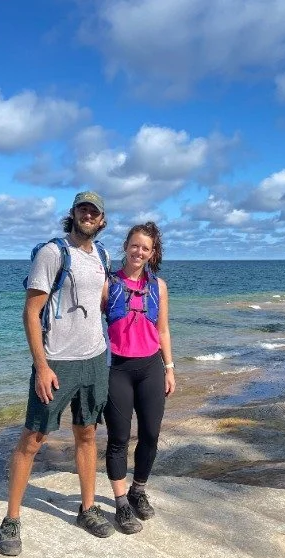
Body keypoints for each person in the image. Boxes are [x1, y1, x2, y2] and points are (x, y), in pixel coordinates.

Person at [0, 191, 114, 556]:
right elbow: (30, 313)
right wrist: (42, 366)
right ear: (73, 214)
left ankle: (87, 508)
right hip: (57, 362)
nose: (88, 215)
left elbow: (103, 303)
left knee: (87, 434)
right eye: (83, 209)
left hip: (95, 358)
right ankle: (12, 518)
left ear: (102, 219)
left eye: (94, 211)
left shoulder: (103, 255)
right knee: (33, 438)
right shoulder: (52, 253)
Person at [102, 221, 176, 534]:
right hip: (116, 368)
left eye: (145, 247)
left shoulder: (158, 286)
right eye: (134, 245)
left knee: (150, 435)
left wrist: (169, 367)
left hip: (150, 369)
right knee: (118, 438)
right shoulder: (108, 284)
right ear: (126, 246)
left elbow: (162, 329)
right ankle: (121, 504)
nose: (139, 251)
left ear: (152, 253)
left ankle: (138, 490)